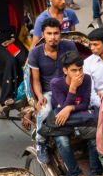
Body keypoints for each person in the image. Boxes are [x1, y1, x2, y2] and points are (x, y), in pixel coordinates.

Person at [47, 51, 103, 176]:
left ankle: (96, 171)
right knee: (63, 141)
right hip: (63, 122)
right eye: (74, 70)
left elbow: (84, 104)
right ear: (65, 71)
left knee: (96, 136)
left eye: (80, 69)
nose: (79, 74)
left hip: (79, 118)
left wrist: (70, 108)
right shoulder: (56, 84)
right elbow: (61, 108)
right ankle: (76, 173)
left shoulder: (87, 79)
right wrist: (72, 88)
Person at [29, 19, 80, 162]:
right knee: (45, 110)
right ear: (43, 35)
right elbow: (36, 80)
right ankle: (40, 142)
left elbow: (77, 71)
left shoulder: (69, 46)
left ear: (61, 34)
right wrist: (39, 96)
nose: (53, 37)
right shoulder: (35, 53)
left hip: (70, 89)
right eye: (49, 33)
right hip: (49, 92)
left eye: (56, 33)